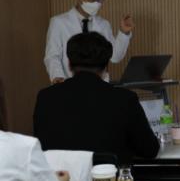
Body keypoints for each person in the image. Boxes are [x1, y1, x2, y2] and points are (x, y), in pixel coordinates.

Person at [34, 32, 160, 163]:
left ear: (69, 64)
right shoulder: (125, 99)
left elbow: (42, 148)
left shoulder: (45, 98)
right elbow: (150, 150)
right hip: (110, 175)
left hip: (61, 175)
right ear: (106, 67)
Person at [44, 0, 134, 84]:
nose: (96, 3)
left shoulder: (104, 24)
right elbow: (52, 55)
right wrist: (57, 76)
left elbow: (114, 57)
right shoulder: (59, 22)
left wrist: (124, 33)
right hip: (69, 83)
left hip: (99, 85)